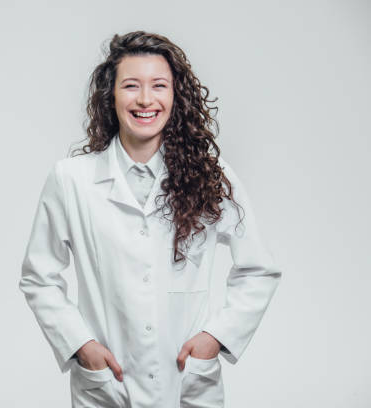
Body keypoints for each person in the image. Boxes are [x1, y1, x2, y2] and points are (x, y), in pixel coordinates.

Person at [18, 30, 282, 408]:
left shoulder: (210, 175)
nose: (145, 99)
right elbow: (38, 277)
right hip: (106, 385)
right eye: (130, 86)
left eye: (159, 85)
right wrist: (81, 346)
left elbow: (259, 269)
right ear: (111, 97)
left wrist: (215, 339)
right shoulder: (70, 179)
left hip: (187, 382)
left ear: (176, 96)